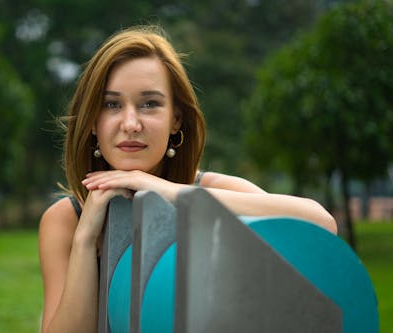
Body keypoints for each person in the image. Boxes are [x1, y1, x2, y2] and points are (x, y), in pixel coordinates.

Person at [38, 25, 337, 333]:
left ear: (176, 119)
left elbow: (320, 225)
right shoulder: (66, 220)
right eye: (112, 104)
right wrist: (86, 239)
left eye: (149, 104)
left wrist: (170, 192)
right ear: (91, 121)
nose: (130, 123)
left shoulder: (205, 189)